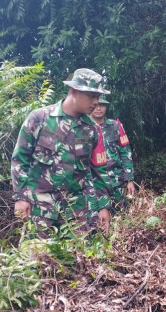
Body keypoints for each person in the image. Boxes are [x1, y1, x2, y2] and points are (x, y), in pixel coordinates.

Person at [11, 68, 112, 236]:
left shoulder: (92, 130)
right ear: (74, 91)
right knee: (36, 258)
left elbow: (97, 171)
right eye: (91, 96)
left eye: (98, 96)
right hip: (40, 207)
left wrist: (103, 206)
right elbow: (20, 159)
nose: (96, 102)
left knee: (79, 259)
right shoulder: (39, 119)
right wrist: (21, 197)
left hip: (76, 211)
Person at [90, 96, 135, 212]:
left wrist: (129, 179)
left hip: (116, 181)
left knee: (121, 214)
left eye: (102, 105)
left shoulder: (115, 126)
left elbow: (125, 153)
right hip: (94, 183)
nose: (98, 108)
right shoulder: (84, 128)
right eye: (95, 105)